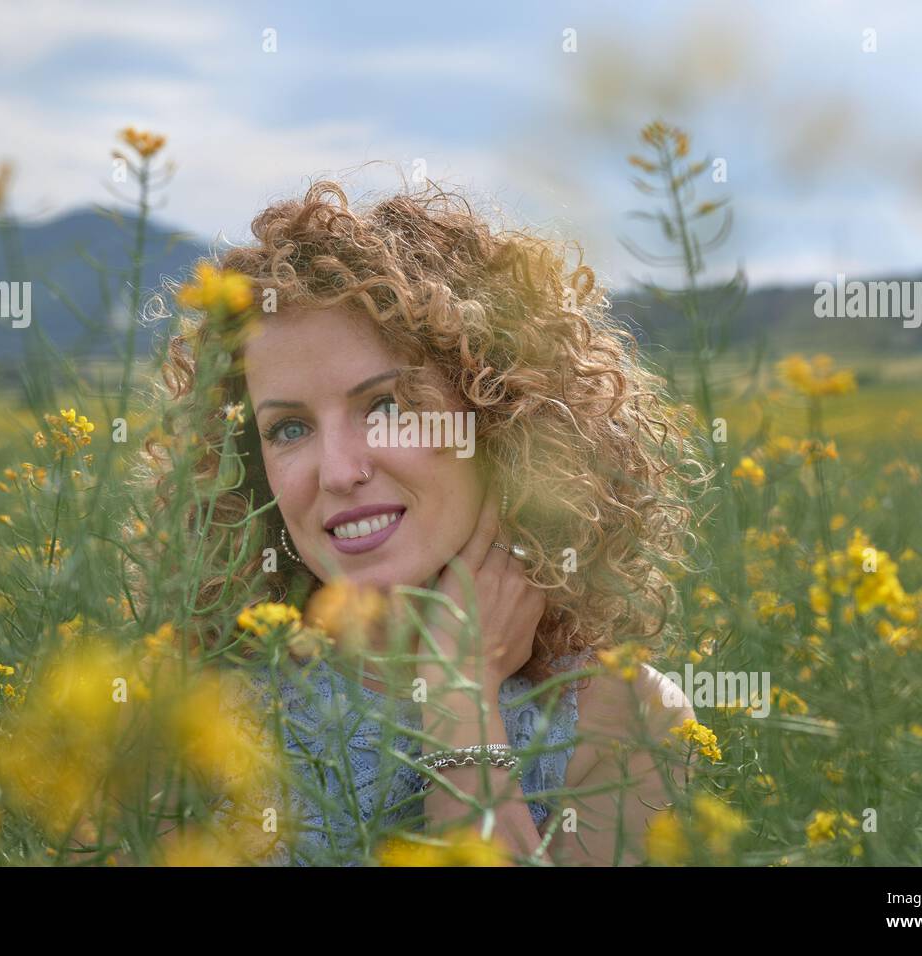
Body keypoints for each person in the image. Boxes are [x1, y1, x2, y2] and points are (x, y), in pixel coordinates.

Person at [141, 177, 705, 866]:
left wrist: (460, 706)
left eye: (385, 407)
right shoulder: (191, 720)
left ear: (500, 418)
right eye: (289, 428)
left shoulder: (629, 721)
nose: (338, 471)